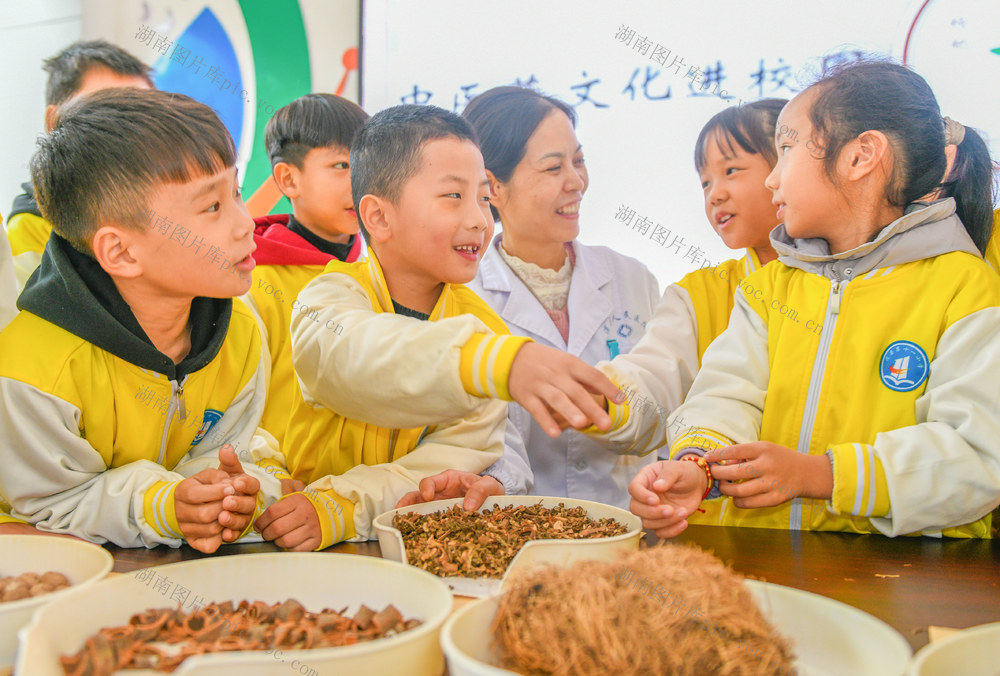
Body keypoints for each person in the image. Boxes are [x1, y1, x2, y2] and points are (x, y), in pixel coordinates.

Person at [630, 61, 1000, 539]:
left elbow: (977, 455)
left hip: (909, 577)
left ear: (860, 156)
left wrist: (822, 475)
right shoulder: (768, 289)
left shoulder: (964, 286)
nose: (772, 179)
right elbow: (726, 396)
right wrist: (699, 464)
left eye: (786, 151)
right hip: (762, 559)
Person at [0, 89, 289, 551]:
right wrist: (161, 504)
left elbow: (222, 455)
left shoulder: (239, 333)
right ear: (121, 251)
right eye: (212, 207)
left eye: (234, 192)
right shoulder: (33, 370)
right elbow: (49, 504)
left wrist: (227, 495)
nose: (244, 224)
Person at [254, 105, 516, 550]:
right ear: (377, 216)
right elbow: (351, 362)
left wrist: (341, 506)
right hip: (290, 524)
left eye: (484, 198)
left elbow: (445, 461)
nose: (478, 219)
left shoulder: (486, 331)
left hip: (402, 539)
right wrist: (270, 481)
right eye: (453, 196)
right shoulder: (327, 295)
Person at [454, 86, 659, 508]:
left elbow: (666, 405)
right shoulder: (462, 300)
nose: (576, 182)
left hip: (630, 529)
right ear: (492, 187)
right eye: (553, 168)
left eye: (579, 161)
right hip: (518, 535)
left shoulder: (631, 279)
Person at [580, 99, 785, 459]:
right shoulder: (697, 295)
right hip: (718, 514)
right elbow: (654, 379)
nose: (715, 194)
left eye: (732, 170)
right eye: (705, 182)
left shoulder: (858, 283)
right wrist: (598, 395)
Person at [242, 93, 368, 447]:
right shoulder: (254, 281)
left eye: (368, 164)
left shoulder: (376, 271)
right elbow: (237, 410)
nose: (361, 182)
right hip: (278, 484)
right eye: (342, 166)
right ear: (288, 179)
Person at [5, 40, 153, 286]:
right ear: (54, 122)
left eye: (146, 113)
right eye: (106, 112)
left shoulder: (167, 212)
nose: (130, 130)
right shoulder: (26, 238)